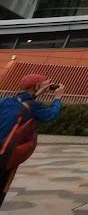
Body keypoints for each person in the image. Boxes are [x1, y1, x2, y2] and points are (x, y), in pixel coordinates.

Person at [0, 74, 64, 206]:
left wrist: (35, 94)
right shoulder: (34, 106)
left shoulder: (5, 101)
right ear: (36, 87)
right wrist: (57, 98)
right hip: (6, 152)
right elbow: (50, 115)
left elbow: (23, 105)